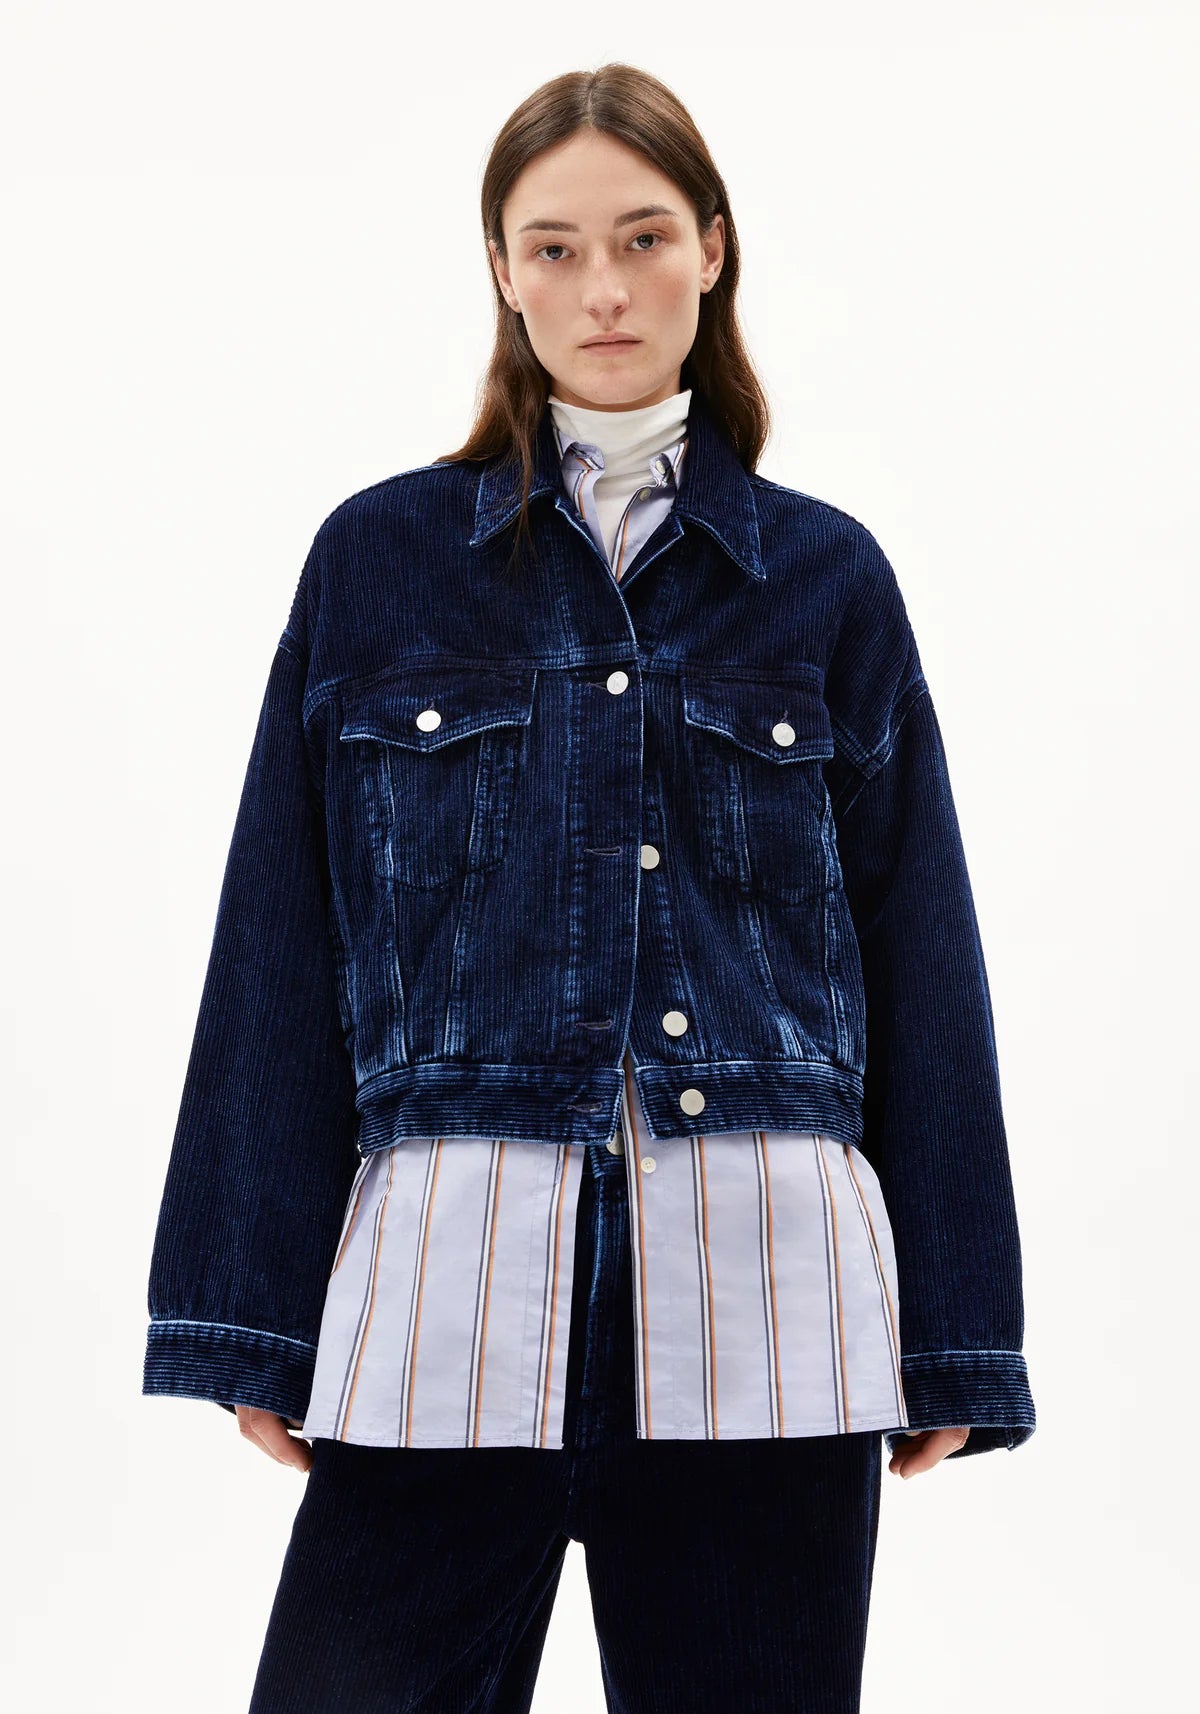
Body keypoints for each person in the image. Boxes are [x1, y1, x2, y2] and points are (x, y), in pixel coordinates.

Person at [143, 63, 1035, 1714]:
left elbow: (921, 949)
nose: (603, 288)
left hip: (767, 1311)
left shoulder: (828, 579)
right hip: (443, 1295)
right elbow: (280, 930)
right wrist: (246, 1310)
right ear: (501, 269)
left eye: (642, 237)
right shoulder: (378, 561)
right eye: (553, 248)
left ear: (713, 249)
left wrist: (958, 1332)